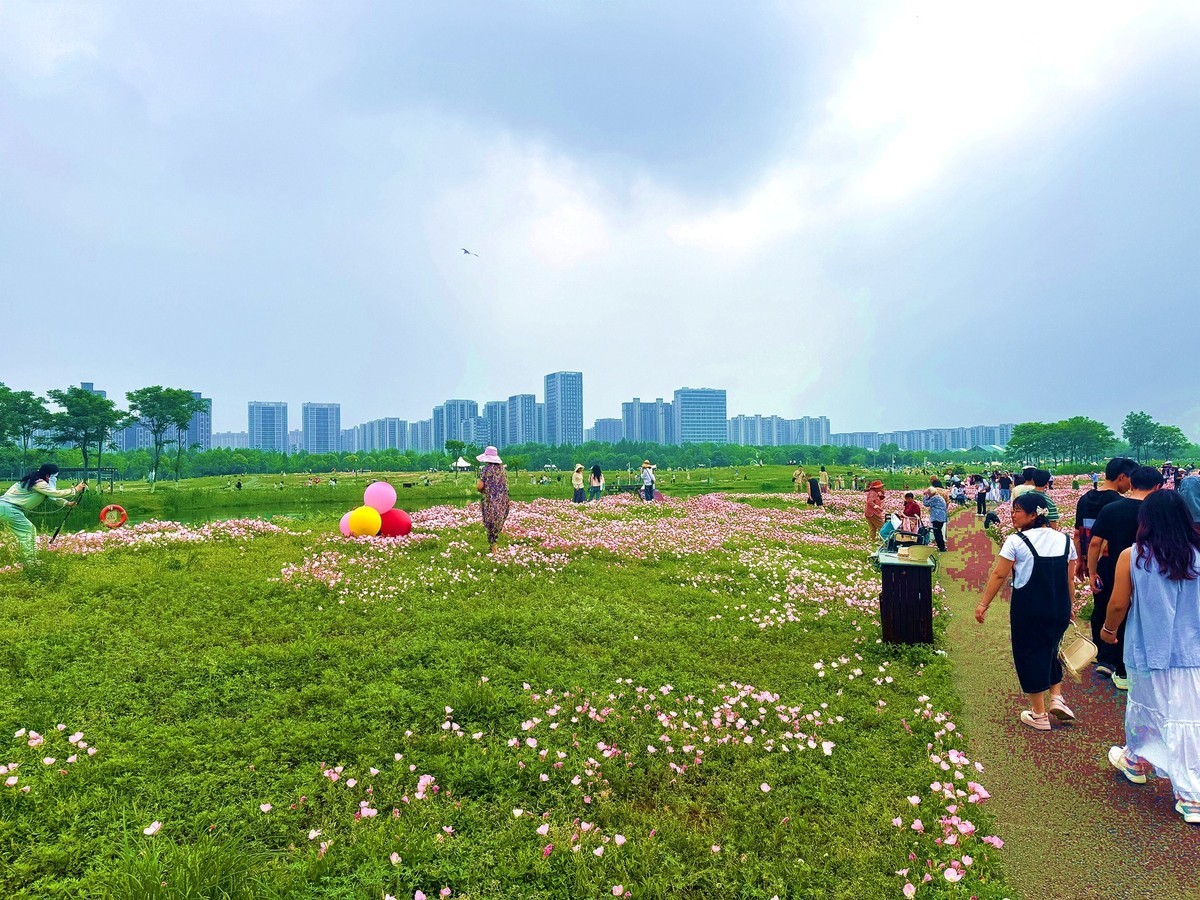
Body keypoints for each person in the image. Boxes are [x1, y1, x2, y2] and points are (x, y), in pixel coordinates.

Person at [1098, 490, 1200, 824]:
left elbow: (1117, 603)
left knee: (1148, 706)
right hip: (1192, 650)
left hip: (1148, 648)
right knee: (1186, 714)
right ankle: (1138, 761)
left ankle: (1190, 794)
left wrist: (1109, 631)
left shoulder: (1135, 555)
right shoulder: (1197, 554)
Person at [975, 492, 1077, 731]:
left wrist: (983, 604)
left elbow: (999, 574)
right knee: (1052, 649)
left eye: (1017, 511)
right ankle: (1057, 697)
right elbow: (1068, 579)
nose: (1012, 515)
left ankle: (1039, 714)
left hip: (1029, 609)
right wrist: (1070, 607)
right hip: (1059, 606)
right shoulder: (1065, 540)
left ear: (1034, 515)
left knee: (1029, 654)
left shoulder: (1016, 541)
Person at [1088, 466, 1165, 689]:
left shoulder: (1112, 509)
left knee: (1115, 609)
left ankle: (1115, 664)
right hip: (1149, 569)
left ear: (1130, 485)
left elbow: (1094, 543)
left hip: (1113, 567)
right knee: (1143, 615)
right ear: (1158, 487)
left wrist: (1093, 572)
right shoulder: (1158, 512)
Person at [0, 464, 86, 562]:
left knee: (26, 532)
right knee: (28, 531)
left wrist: (67, 503)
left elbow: (52, 496)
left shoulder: (33, 480)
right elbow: (54, 493)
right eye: (55, 477)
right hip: (9, 508)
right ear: (48, 475)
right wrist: (75, 489)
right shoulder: (38, 483)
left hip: (5, 508)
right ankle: (30, 562)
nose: (55, 480)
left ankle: (29, 560)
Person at [1073, 457, 1137, 582]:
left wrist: (1080, 560)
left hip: (1091, 562)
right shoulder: (1119, 503)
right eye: (1131, 479)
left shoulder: (1084, 499)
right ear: (1122, 476)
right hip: (1115, 562)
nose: (1131, 485)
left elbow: (1077, 534)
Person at [475, 446, 509, 554]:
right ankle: (493, 546)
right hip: (503, 501)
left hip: (490, 501)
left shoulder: (485, 470)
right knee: (497, 523)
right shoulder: (503, 469)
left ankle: (494, 549)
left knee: (490, 523)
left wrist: (483, 492)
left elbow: (480, 486)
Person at [922, 487, 948, 552]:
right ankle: (941, 546)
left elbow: (926, 503)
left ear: (931, 492)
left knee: (937, 532)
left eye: (928, 493)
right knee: (939, 531)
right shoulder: (938, 497)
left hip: (937, 516)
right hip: (941, 516)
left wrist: (924, 496)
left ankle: (941, 547)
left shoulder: (935, 498)